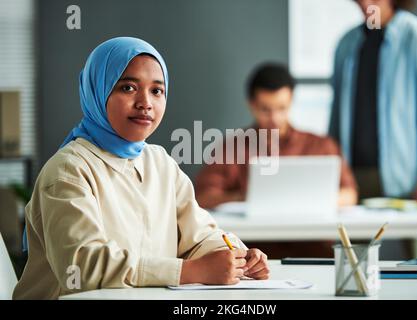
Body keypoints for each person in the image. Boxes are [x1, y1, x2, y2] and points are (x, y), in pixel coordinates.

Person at [13, 37, 269, 299]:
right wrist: (189, 272)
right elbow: (81, 269)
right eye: (128, 88)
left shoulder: (160, 162)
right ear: (98, 91)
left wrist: (237, 256)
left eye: (157, 91)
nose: (145, 102)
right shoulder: (69, 169)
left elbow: (200, 236)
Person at [329, 0, 417, 204]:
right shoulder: (347, 44)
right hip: (355, 178)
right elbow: (336, 116)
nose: (367, 4)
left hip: (409, 181)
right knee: (357, 237)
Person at [195, 63, 358, 210]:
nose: (275, 118)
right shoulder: (232, 148)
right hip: (251, 242)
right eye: (265, 109)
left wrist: (307, 202)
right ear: (251, 105)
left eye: (282, 108)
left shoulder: (321, 145)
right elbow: (202, 197)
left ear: (292, 101)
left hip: (310, 241)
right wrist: (245, 198)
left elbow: (349, 194)